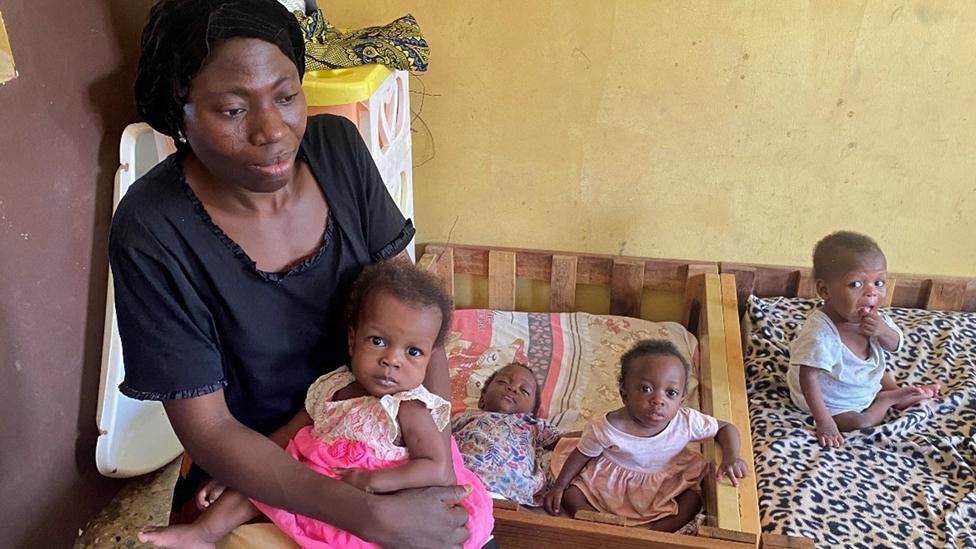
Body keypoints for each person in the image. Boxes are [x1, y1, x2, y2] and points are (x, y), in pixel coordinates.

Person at [112, 1, 472, 547]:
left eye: (286, 96)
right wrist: (367, 514)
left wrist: (433, 457)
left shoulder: (338, 151)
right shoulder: (153, 228)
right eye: (232, 110)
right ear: (177, 110)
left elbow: (414, 313)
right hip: (258, 478)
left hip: (387, 445)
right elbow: (209, 429)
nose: (273, 131)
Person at [137, 261, 493, 548]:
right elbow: (287, 435)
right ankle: (201, 535)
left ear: (430, 357)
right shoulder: (332, 385)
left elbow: (436, 469)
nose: (391, 360)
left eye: (412, 352)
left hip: (376, 495)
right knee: (265, 481)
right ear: (353, 340)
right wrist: (235, 473)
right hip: (316, 478)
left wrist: (374, 482)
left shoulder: (409, 407)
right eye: (378, 341)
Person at [543, 340, 748, 532]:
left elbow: (726, 428)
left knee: (693, 501)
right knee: (572, 495)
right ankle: (600, 525)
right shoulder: (607, 427)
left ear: (682, 399)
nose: (658, 399)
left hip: (662, 482)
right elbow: (581, 454)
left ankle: (653, 534)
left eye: (671, 393)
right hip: (609, 481)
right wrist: (559, 485)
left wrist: (731, 457)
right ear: (625, 393)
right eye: (646, 389)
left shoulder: (686, 422)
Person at [787, 231, 940, 447]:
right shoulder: (821, 335)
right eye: (856, 285)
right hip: (831, 400)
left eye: (879, 282)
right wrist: (825, 421)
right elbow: (807, 377)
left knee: (878, 369)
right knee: (860, 422)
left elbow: (896, 345)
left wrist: (884, 331)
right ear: (824, 290)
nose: (871, 293)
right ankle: (887, 400)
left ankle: (895, 391)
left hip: (859, 379)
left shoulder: (877, 320)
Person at [451, 362, 569, 506]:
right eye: (503, 382)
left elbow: (568, 440)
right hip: (463, 482)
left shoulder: (532, 425)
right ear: (482, 398)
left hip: (513, 494)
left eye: (524, 390)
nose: (512, 388)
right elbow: (438, 435)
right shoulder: (466, 416)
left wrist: (602, 429)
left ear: (532, 413)